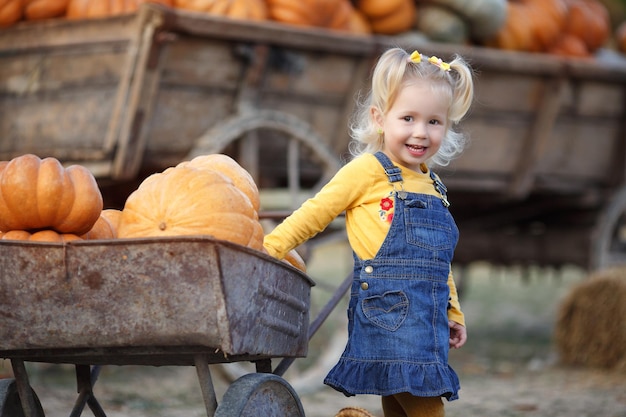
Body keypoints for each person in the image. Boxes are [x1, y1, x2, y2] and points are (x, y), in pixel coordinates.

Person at [263, 47, 474, 417]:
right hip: (387, 313)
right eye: (408, 118)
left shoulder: (434, 185)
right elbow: (315, 212)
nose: (420, 132)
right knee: (425, 405)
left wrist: (452, 310)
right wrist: (269, 248)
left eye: (434, 122)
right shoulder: (367, 171)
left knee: (399, 402)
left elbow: (438, 261)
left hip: (427, 319)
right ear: (380, 118)